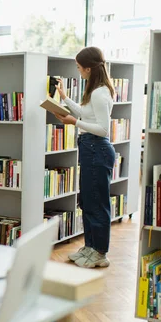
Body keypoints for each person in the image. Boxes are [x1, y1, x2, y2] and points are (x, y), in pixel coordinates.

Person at [54, 46, 116, 269]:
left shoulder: (100, 93)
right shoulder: (96, 89)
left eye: (79, 68)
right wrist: (64, 99)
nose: (78, 71)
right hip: (90, 148)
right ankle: (90, 247)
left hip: (96, 148)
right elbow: (84, 112)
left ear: (88, 68)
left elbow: (103, 129)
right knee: (88, 201)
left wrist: (74, 122)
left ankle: (100, 252)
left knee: (97, 203)